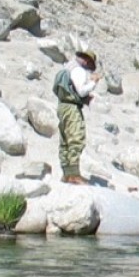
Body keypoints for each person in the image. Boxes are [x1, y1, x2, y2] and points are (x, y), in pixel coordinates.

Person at [54, 51, 105, 184]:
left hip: (62, 106)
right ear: (87, 61)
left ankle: (66, 172)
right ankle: (73, 175)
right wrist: (93, 82)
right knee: (76, 138)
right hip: (71, 108)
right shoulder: (78, 70)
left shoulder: (67, 68)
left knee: (65, 140)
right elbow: (81, 91)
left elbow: (69, 89)